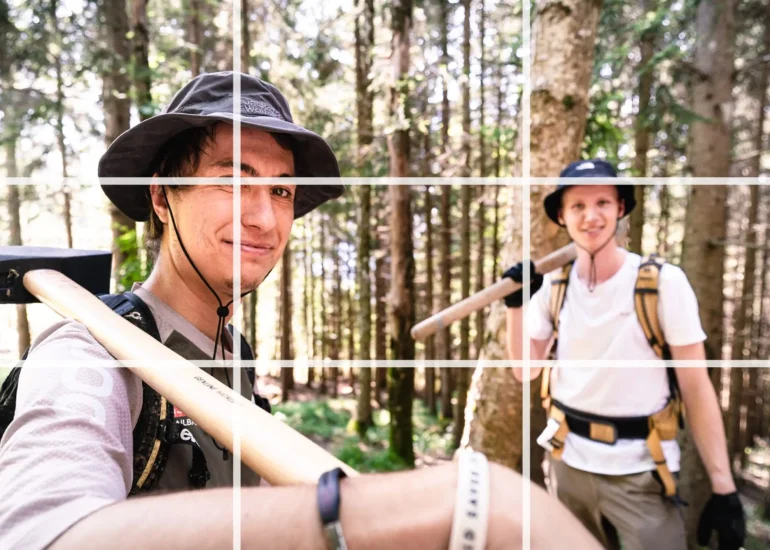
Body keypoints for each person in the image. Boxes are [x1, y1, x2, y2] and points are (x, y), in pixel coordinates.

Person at [0, 72, 601, 550]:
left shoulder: (235, 353)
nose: (264, 218)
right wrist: (450, 506)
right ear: (162, 196)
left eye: (282, 190)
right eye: (234, 181)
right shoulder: (87, 355)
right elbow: (38, 536)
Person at [503, 159, 745, 550]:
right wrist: (515, 306)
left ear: (620, 208)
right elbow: (524, 370)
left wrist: (723, 487)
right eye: (577, 206)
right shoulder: (552, 286)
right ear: (562, 217)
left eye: (602, 202)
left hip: (642, 475)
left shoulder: (663, 284)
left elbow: (697, 388)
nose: (590, 216)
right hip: (567, 467)